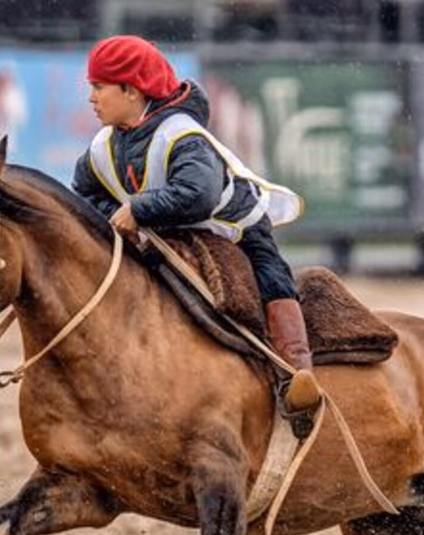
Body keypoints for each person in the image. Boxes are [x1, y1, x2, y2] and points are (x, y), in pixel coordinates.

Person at [71, 35, 321, 422]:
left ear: (131, 91)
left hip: (234, 230)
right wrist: (116, 215)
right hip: (167, 233)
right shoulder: (102, 146)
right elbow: (83, 194)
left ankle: (295, 374)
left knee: (272, 277)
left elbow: (197, 195)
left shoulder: (182, 135)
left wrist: (137, 209)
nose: (91, 97)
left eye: (98, 87)